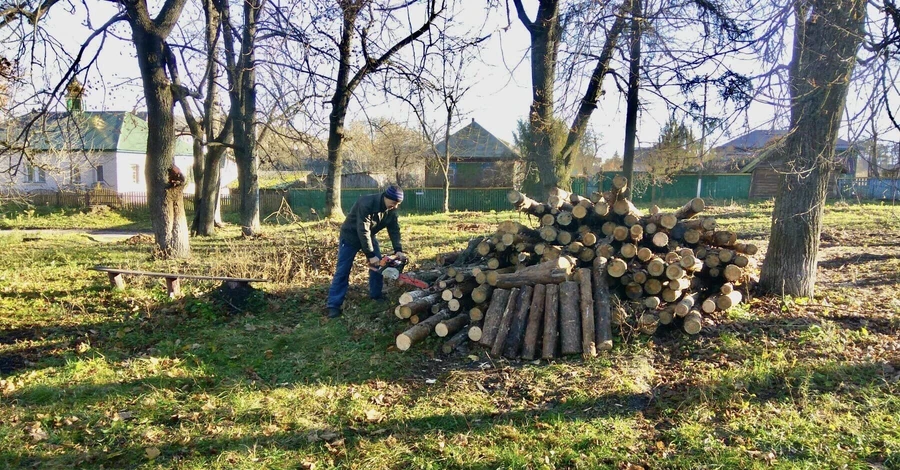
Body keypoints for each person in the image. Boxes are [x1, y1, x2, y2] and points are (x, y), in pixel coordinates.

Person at [325, 184, 407, 318]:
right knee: (343, 270)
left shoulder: (391, 210)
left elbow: (394, 229)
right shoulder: (366, 203)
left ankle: (376, 295)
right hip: (350, 236)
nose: (395, 206)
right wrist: (370, 255)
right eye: (394, 203)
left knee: (380, 266)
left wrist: (398, 250)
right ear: (386, 197)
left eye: (398, 204)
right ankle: (333, 305)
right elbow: (362, 230)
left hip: (369, 236)